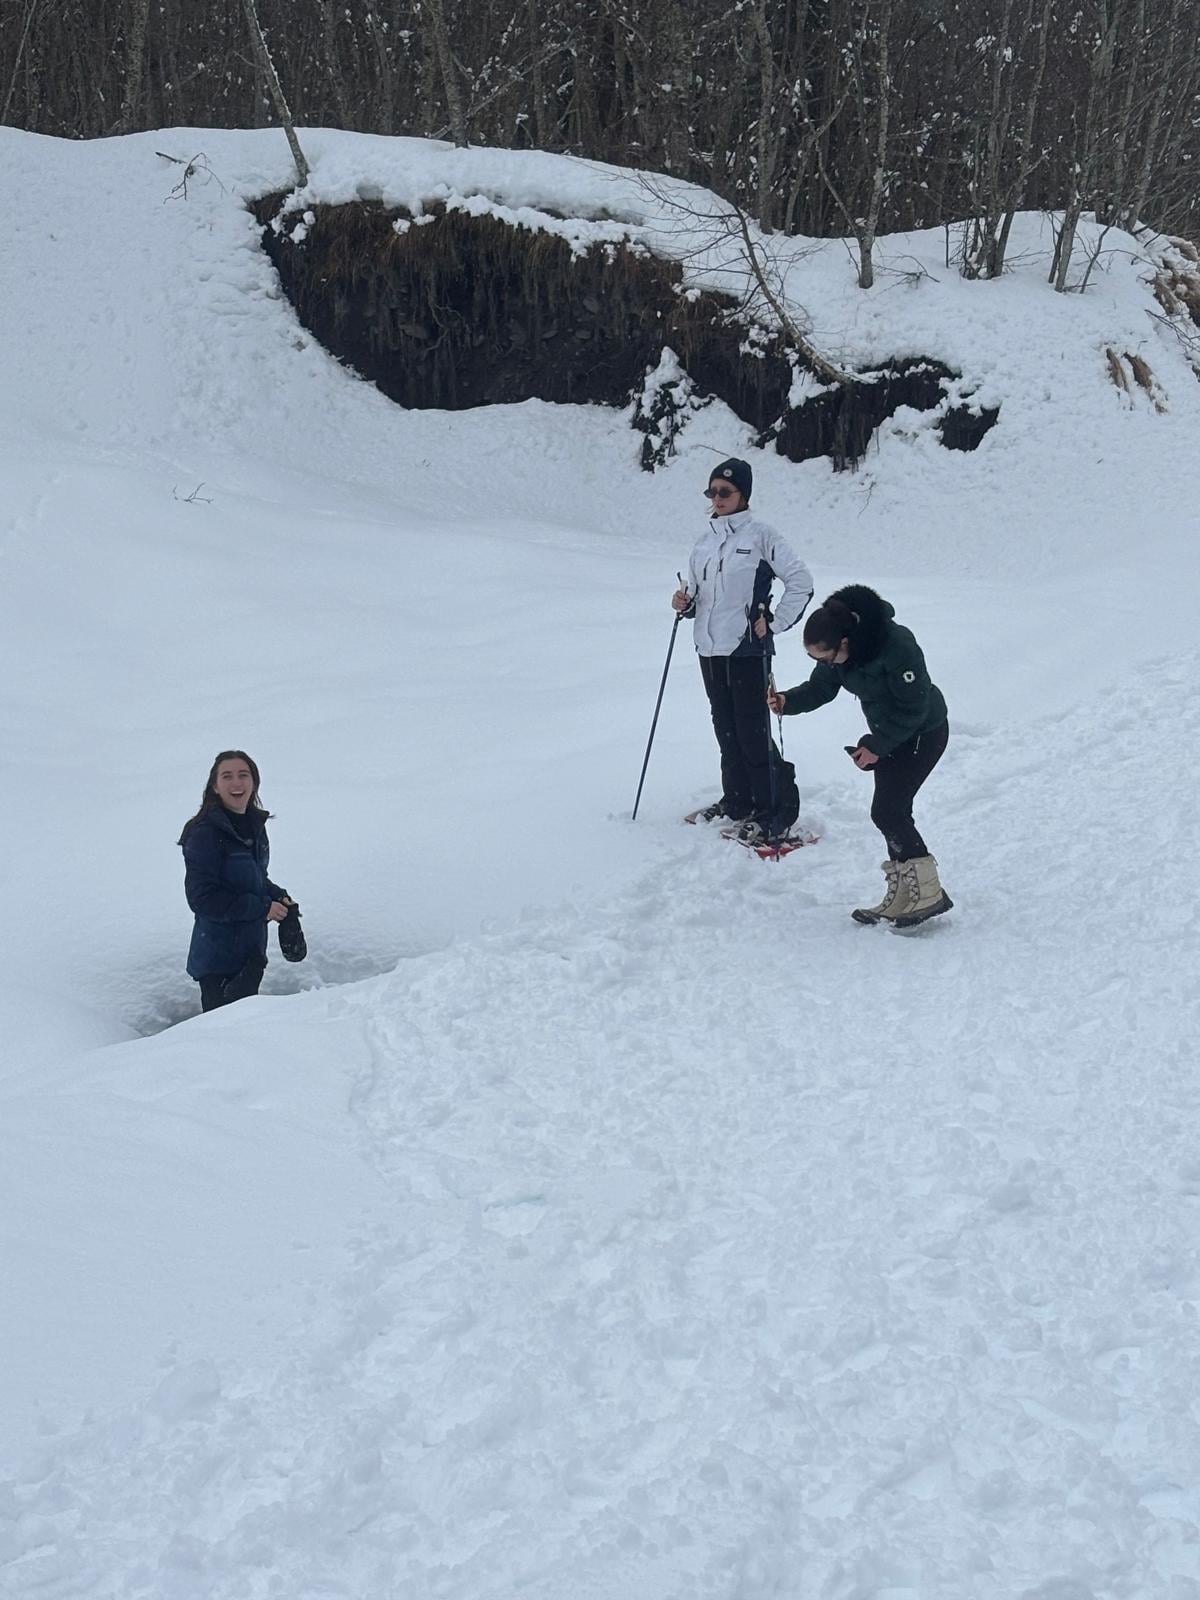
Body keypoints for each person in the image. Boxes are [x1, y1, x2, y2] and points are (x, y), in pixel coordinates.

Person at [768, 585, 952, 927]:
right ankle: (903, 893)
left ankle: (927, 892)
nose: (822, 664)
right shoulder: (838, 651)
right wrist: (787, 702)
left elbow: (915, 707)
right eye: (814, 659)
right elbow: (822, 687)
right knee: (890, 811)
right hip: (888, 735)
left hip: (923, 733)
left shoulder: (897, 645)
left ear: (846, 642)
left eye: (824, 657)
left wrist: (876, 745)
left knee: (888, 810)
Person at [672, 457, 813, 844]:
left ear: (743, 495)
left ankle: (774, 809)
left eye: (725, 492)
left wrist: (777, 623)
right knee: (726, 727)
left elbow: (801, 582)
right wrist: (686, 603)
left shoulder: (762, 537)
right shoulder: (703, 543)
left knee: (752, 730)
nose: (717, 498)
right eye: (712, 491)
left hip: (747, 649)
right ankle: (737, 800)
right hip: (709, 648)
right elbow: (700, 595)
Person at [178, 750, 292, 1011]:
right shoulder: (204, 833)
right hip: (218, 960)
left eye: (243, 775)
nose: (236, 783)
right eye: (227, 776)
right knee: (223, 1041)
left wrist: (279, 896)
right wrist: (262, 908)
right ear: (215, 786)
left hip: (250, 953)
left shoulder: (253, 825)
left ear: (254, 782)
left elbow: (254, 878)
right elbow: (202, 898)